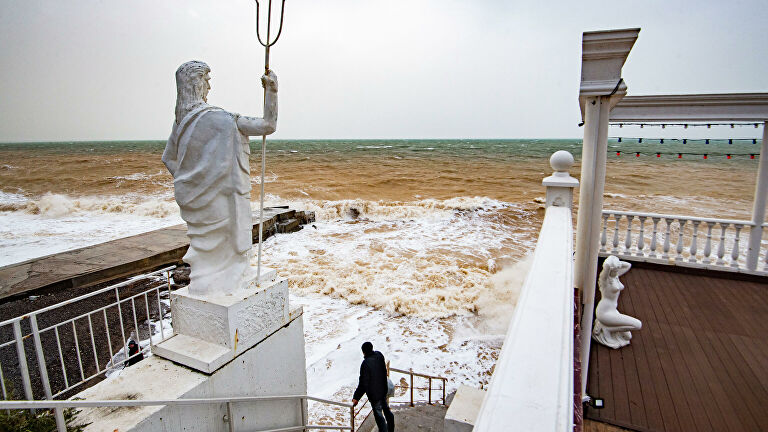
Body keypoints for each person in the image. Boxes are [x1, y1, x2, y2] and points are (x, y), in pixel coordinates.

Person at [162, 60, 278, 296]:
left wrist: (190, 182)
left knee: (206, 248)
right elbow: (268, 125)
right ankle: (226, 282)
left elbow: (168, 159)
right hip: (221, 197)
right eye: (206, 81)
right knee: (229, 246)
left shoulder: (181, 123)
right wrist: (272, 91)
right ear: (195, 83)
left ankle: (206, 284)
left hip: (192, 199)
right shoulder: (222, 119)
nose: (209, 87)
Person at [352, 342, 394, 432]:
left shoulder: (365, 364)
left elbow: (363, 383)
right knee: (386, 410)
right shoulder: (379, 355)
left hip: (375, 396)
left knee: (379, 417)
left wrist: (356, 397)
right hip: (383, 390)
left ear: (363, 352)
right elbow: (383, 371)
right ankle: (391, 429)